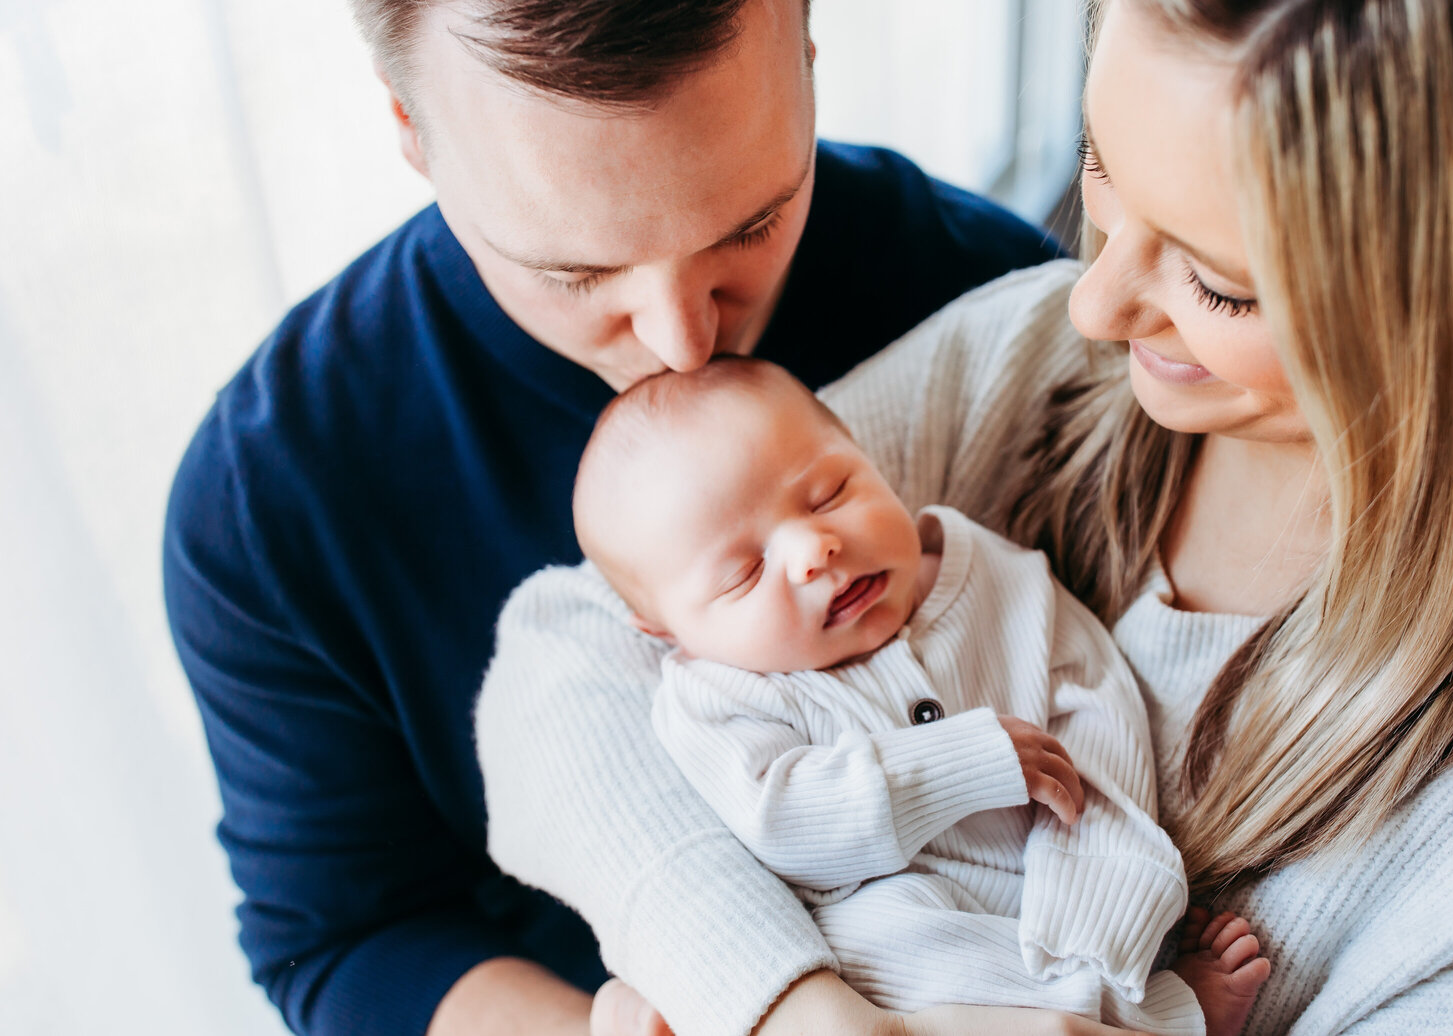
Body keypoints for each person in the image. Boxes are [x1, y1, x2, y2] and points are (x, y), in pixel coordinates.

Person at [476, 0, 1453, 1033]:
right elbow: (567, 658)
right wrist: (772, 997)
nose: (1092, 301)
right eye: (1100, 171)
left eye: (1219, 283)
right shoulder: (1027, 371)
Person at [160, 0, 1065, 1033]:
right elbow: (352, 938)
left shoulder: (993, 301)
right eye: (575, 273)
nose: (683, 344)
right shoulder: (274, 498)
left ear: (809, 46)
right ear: (410, 128)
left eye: (751, 223)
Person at [553, 355, 1273, 1035]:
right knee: (873, 938)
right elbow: (782, 820)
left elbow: (1095, 701)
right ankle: (1162, 1016)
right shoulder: (716, 696)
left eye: (831, 493)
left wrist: (1097, 894)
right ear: (666, 630)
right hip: (893, 918)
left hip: (1060, 874)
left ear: (870, 458)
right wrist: (959, 762)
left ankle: (1120, 989)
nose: (814, 551)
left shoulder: (992, 577)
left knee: (1123, 849)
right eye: (744, 573)